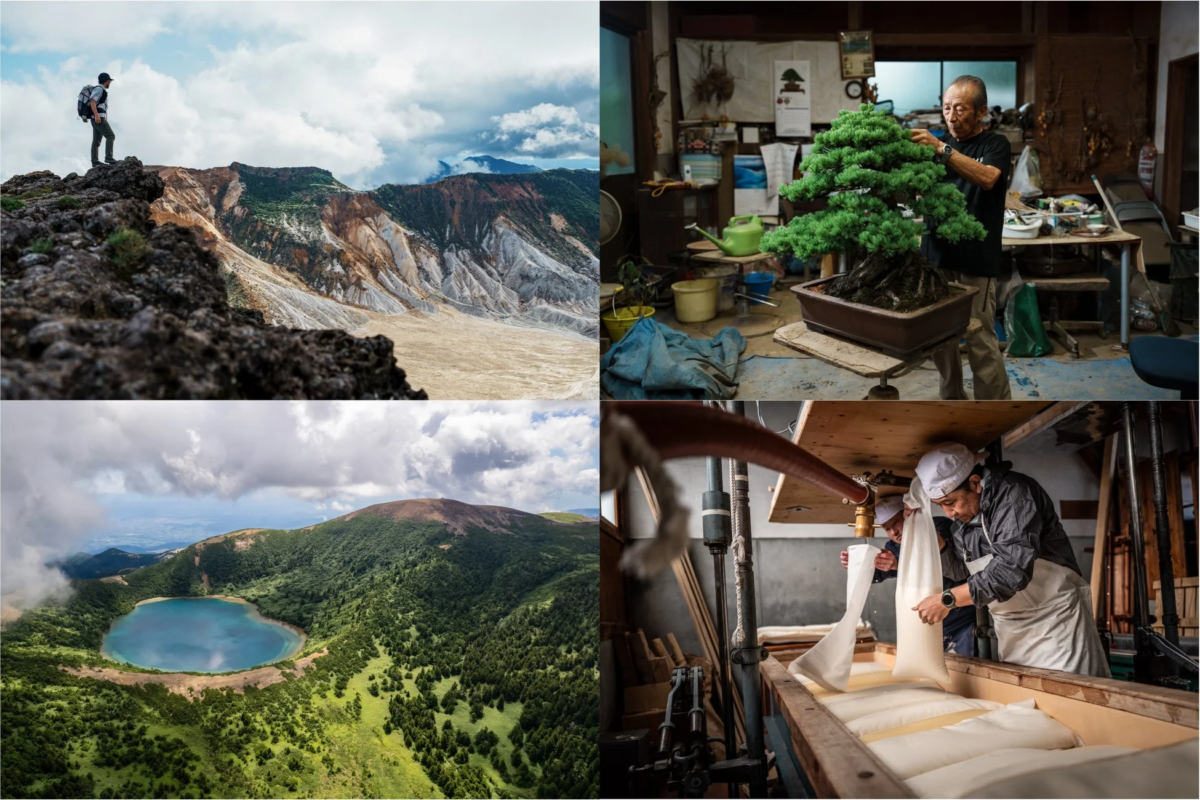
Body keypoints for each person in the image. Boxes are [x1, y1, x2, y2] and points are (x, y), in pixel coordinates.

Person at [910, 442, 1110, 678]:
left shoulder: (1014, 495)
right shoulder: (964, 523)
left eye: (950, 502)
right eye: (940, 506)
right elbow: (961, 572)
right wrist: (934, 540)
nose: (948, 513)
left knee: (1069, 693)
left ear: (975, 482)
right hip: (1011, 630)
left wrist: (947, 600)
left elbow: (1011, 570)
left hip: (1055, 623)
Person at [909, 76, 1013, 401]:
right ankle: (952, 401)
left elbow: (988, 178)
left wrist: (942, 148)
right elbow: (911, 186)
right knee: (940, 340)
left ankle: (995, 411)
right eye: (946, 108)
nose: (951, 117)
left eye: (960, 109)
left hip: (975, 259)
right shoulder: (931, 147)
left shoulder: (995, 145)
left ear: (980, 112)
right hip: (936, 256)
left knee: (980, 340)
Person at [840, 495, 976, 654]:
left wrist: (898, 564)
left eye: (895, 523)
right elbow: (876, 575)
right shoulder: (894, 547)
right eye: (887, 529)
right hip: (931, 621)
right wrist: (858, 565)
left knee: (967, 665)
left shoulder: (938, 527)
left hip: (962, 618)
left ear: (908, 515)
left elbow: (944, 564)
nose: (894, 532)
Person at [89, 72, 117, 168]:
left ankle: (95, 161)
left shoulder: (100, 89)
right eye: (109, 81)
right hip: (98, 117)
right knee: (111, 136)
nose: (110, 83)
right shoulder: (99, 89)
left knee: (96, 140)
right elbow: (92, 101)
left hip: (96, 117)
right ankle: (109, 157)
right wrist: (96, 115)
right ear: (107, 81)